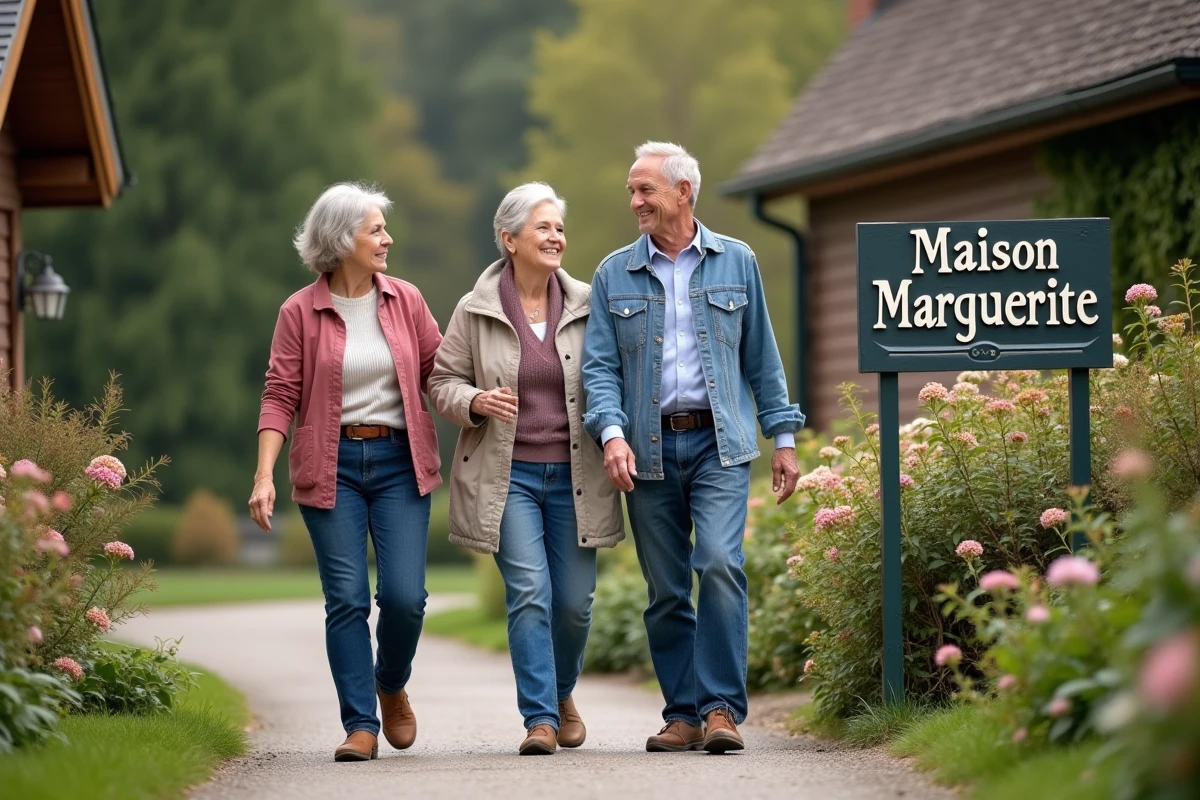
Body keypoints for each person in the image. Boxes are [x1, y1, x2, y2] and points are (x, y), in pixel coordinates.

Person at [581, 142, 803, 754]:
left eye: (645, 190)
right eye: (631, 191)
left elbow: (762, 358)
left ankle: (721, 710)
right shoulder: (613, 274)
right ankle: (682, 714)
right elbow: (599, 368)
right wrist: (612, 433)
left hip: (719, 444)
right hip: (646, 448)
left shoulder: (737, 261)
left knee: (721, 564)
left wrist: (783, 440)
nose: (635, 202)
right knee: (667, 591)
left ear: (683, 192)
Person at [249, 182, 444, 762]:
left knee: (406, 598)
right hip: (329, 464)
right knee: (347, 601)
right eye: (376, 230)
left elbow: (439, 372)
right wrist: (263, 475)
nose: (388, 239)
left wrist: (478, 398)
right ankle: (360, 724)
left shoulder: (406, 300)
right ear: (341, 240)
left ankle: (390, 682)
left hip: (400, 462)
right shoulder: (299, 311)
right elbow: (279, 394)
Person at [429, 182, 624, 756]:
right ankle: (540, 718)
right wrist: (475, 400)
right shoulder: (475, 308)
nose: (555, 237)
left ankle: (561, 694)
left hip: (576, 477)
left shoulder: (589, 303)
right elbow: (441, 381)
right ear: (509, 239)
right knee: (530, 593)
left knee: (575, 604)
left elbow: (610, 375)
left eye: (559, 228)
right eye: (543, 227)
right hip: (507, 477)